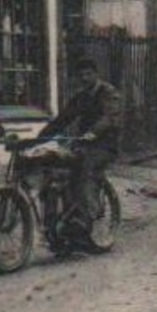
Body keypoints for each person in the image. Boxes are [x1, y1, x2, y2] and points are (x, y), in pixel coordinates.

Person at [40, 57, 123, 229]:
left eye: (88, 74)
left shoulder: (108, 92)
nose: (84, 78)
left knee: (86, 169)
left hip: (105, 146)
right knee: (54, 169)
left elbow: (109, 117)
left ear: (96, 74)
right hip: (84, 144)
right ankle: (56, 219)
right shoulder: (80, 97)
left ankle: (86, 219)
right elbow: (62, 120)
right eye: (81, 75)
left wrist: (93, 133)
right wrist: (39, 138)